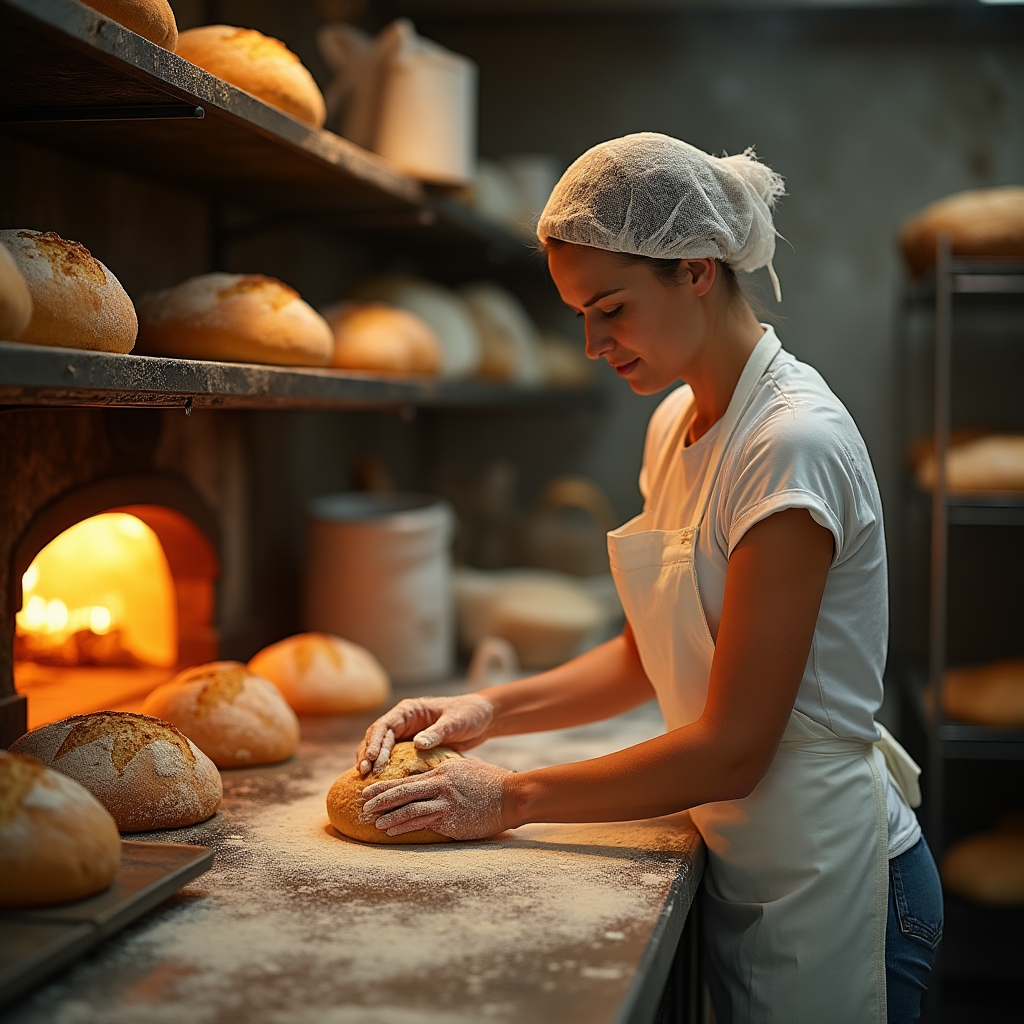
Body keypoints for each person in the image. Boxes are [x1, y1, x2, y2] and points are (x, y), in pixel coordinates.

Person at [355, 133, 943, 1024]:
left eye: (612, 308)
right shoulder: (677, 421)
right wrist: (486, 711)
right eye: (578, 315)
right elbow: (648, 655)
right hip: (752, 870)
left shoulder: (791, 445)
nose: (592, 342)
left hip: (840, 886)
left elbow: (736, 749)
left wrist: (510, 799)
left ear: (698, 269)